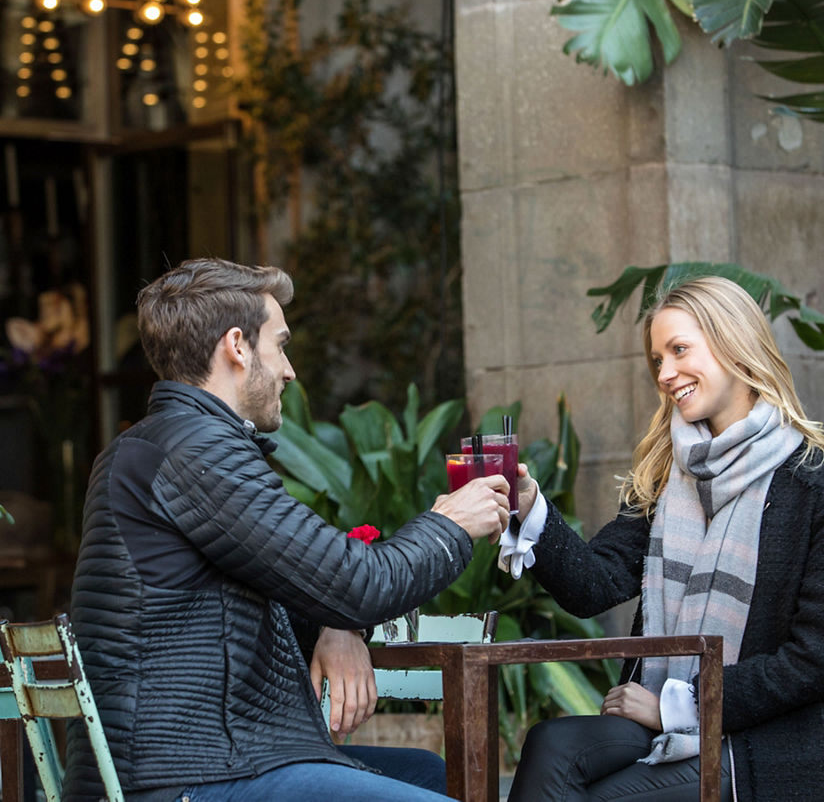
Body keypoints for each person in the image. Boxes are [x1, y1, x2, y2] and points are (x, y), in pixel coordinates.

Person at [63, 258, 511, 801]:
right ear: (237, 346)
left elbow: (297, 584)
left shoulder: (164, 446)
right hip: (191, 776)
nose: (289, 370)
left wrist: (336, 626)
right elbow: (359, 584)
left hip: (201, 760)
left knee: (429, 773)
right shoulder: (195, 450)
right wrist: (452, 524)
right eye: (280, 345)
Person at [502, 276, 824, 801]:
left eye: (679, 350)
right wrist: (529, 510)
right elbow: (595, 585)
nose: (665, 373)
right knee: (551, 745)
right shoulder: (666, 477)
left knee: (602, 796)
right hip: (668, 723)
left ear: (734, 344)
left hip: (784, 745)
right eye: (657, 359)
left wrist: (678, 706)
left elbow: (817, 660)